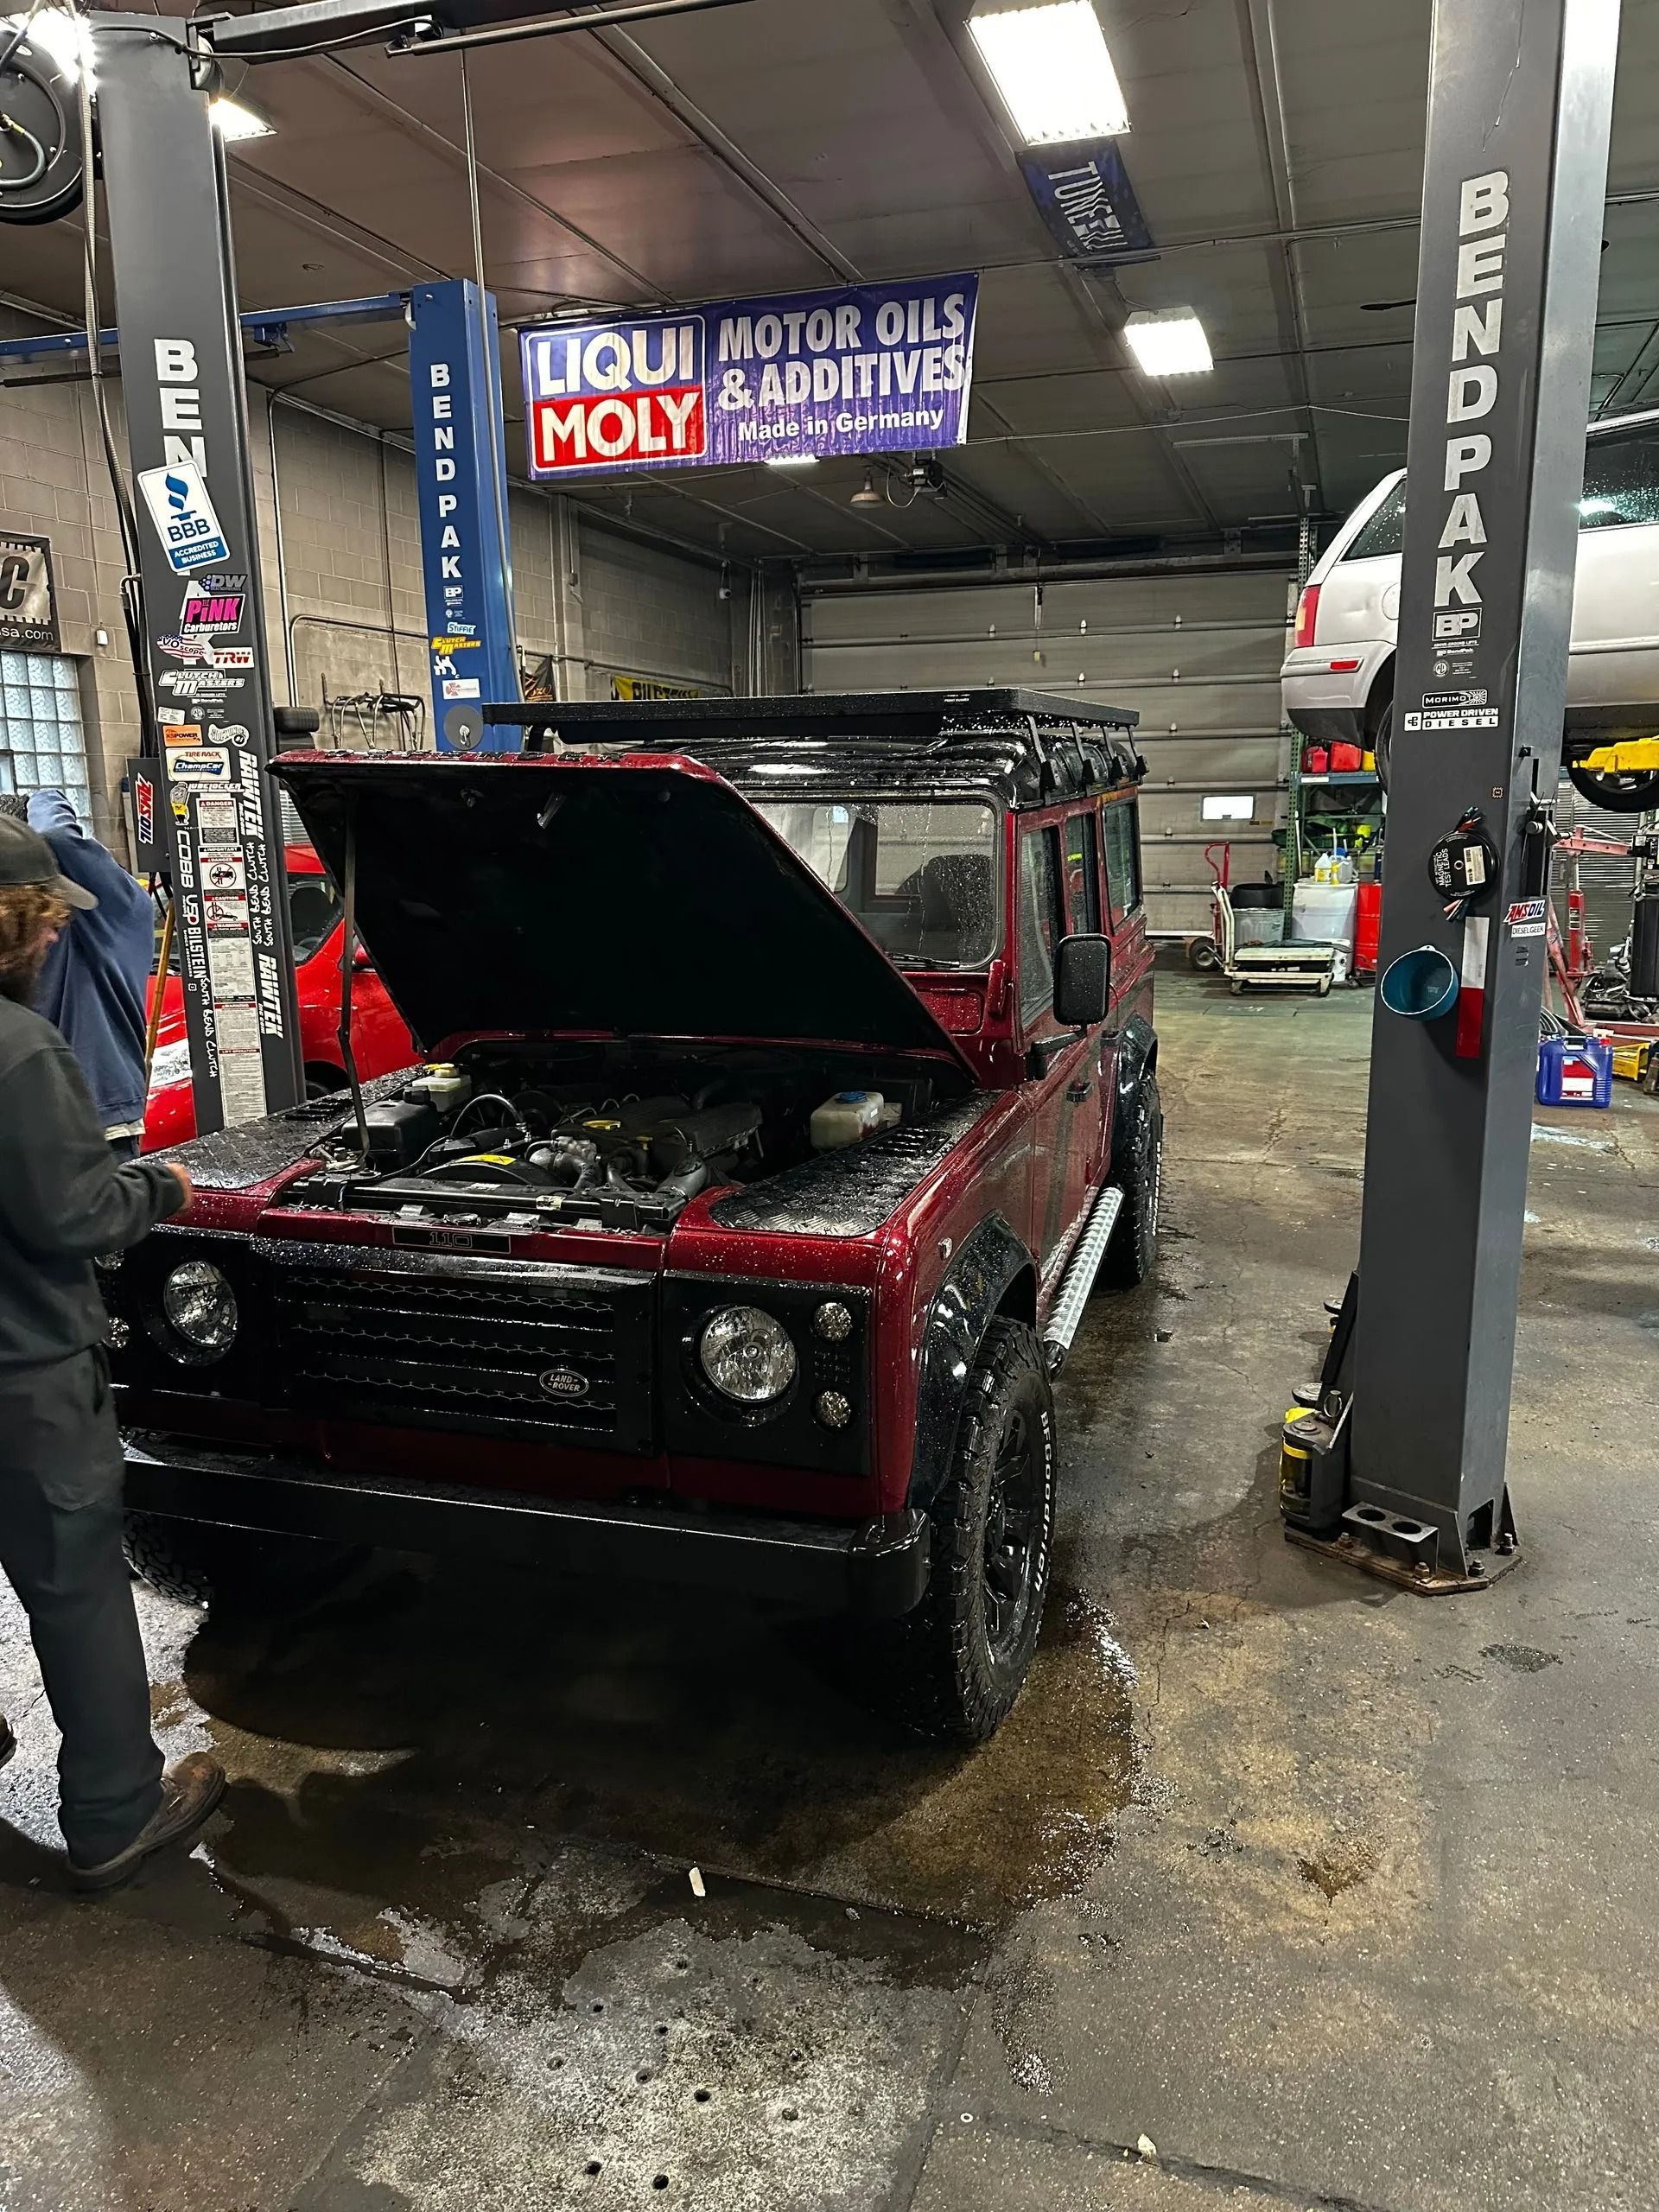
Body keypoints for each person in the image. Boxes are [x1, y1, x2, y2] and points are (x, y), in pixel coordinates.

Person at [0, 810, 224, 1891]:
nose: (52, 942)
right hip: (25, 1375)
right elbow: (75, 1214)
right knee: (76, 1590)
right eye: (40, 923)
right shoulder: (21, 1051)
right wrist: (166, 1185)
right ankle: (115, 1815)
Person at [0, 789, 155, 1158]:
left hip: (97, 1122)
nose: (50, 931)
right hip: (24, 1119)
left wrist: (43, 796)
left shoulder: (112, 911)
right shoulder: (23, 930)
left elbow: (58, 835)